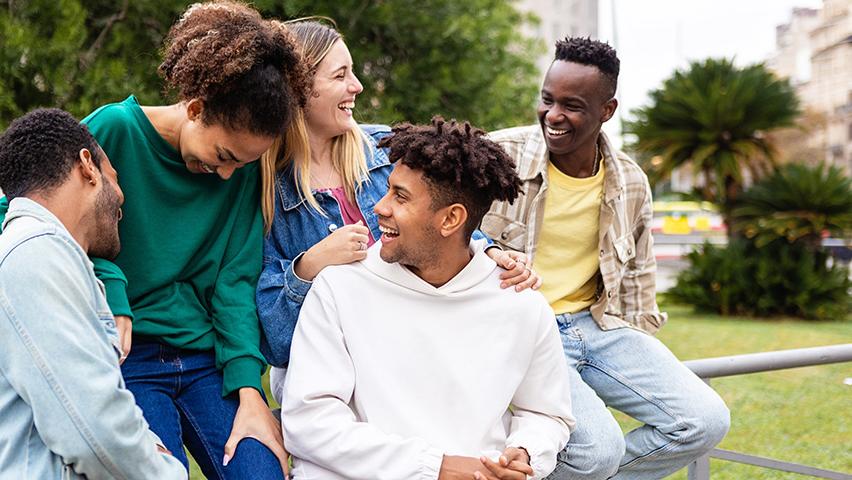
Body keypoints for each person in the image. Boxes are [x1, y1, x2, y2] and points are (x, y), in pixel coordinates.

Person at [0, 2, 309, 478]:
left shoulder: (241, 173)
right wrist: (113, 287)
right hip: (131, 356)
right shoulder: (114, 129)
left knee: (263, 472)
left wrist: (251, 391)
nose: (228, 175)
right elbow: (42, 211)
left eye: (242, 164)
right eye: (223, 155)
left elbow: (234, 283)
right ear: (195, 107)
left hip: (208, 361)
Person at [482, 37, 730, 480]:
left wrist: (637, 351)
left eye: (572, 106)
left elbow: (638, 276)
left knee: (705, 421)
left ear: (607, 111)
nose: (553, 116)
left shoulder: (631, 181)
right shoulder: (497, 156)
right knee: (597, 452)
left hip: (595, 326)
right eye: (547, 100)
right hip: (522, 327)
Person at [280, 117, 575, 480]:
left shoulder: (520, 303)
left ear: (451, 219)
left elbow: (546, 413)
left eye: (400, 197)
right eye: (388, 190)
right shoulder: (340, 287)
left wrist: (526, 452)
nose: (380, 208)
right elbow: (309, 422)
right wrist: (435, 467)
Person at [256, 19, 540, 371]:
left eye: (353, 72)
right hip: (338, 368)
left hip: (420, 341)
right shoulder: (263, 188)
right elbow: (276, 342)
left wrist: (492, 252)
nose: (356, 86)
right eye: (340, 75)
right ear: (298, 88)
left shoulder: (386, 147)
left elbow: (445, 216)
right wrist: (310, 265)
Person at [0, 108, 186, 480]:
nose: (122, 199)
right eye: (115, 179)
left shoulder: (48, 255)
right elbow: (95, 430)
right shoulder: (35, 254)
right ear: (88, 166)